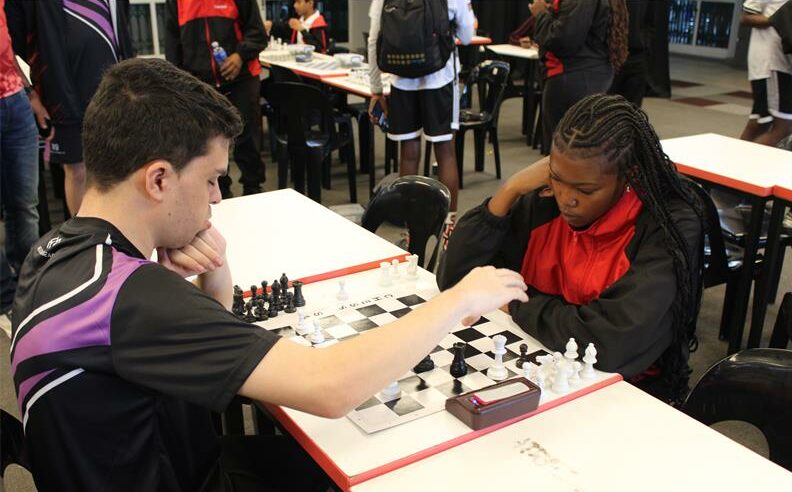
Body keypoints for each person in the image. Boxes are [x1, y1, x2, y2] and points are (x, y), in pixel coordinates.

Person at [9, 58, 527, 491]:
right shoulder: (134, 298)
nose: (217, 198)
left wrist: (214, 276)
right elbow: (330, 388)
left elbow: (187, 353)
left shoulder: (54, 253)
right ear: (159, 179)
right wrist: (457, 300)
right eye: (211, 180)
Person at [437, 94, 704, 405]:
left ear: (629, 175)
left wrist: (515, 304)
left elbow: (612, 341)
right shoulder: (545, 199)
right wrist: (509, 191)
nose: (567, 199)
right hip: (541, 366)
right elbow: (457, 281)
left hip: (629, 393)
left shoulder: (668, 224)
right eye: (557, 179)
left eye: (585, 190)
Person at [5, 0, 132, 216]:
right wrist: (32, 94)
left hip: (116, 87)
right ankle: (85, 235)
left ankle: (120, 230)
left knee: (120, 167)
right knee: (78, 169)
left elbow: (121, 27)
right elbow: (11, 44)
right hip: (63, 92)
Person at [368, 0, 474, 247]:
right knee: (445, 152)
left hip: (401, 80)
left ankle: (412, 231)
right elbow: (468, 36)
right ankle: (447, 232)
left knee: (408, 153)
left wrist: (376, 89)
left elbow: (374, 40)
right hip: (441, 77)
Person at [165, 0, 268, 198]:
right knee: (209, 143)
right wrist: (179, 83)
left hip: (242, 78)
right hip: (200, 83)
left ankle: (253, 187)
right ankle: (220, 192)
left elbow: (258, 34)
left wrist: (240, 55)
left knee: (247, 137)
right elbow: (173, 44)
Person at [0, 0, 48, 318]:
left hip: (14, 98)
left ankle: (30, 285)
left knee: (25, 204)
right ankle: (5, 297)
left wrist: (29, 93)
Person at [530, 0, 628, 155]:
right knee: (581, 151)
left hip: (573, 78)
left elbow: (563, 40)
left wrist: (541, 14)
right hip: (590, 74)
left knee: (563, 152)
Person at [739, 0, 792, 146]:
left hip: (784, 65)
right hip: (772, 64)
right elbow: (746, 17)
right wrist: (780, 20)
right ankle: (743, 159)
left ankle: (734, 157)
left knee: (759, 124)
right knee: (784, 128)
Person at [609, 0, 652, 107]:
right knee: (609, 106)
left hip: (637, 56)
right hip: (613, 56)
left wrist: (645, 43)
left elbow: (651, 22)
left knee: (633, 108)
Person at [264, 0, 329, 54]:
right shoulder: (299, 19)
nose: (295, 5)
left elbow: (320, 49)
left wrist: (302, 30)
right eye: (295, 2)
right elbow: (284, 29)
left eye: (299, 2)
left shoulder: (320, 24)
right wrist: (271, 24)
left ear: (310, 3)